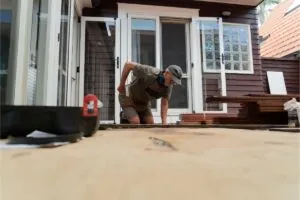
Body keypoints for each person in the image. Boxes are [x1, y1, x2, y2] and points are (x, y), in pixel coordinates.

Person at [117, 61, 183, 125]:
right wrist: (122, 84)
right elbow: (128, 65)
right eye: (172, 80)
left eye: (175, 82)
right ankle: (125, 116)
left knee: (150, 124)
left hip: (143, 103)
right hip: (128, 96)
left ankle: (135, 114)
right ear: (167, 73)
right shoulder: (150, 72)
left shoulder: (168, 86)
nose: (173, 83)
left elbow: (164, 104)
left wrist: (164, 122)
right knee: (135, 122)